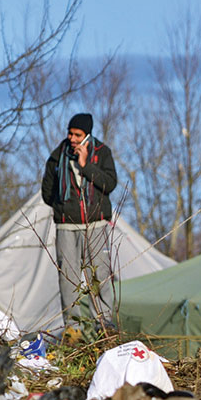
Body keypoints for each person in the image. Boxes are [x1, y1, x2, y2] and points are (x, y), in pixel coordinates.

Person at [40, 112, 119, 335]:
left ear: (87, 135)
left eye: (78, 134)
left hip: (96, 224)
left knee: (100, 274)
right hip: (66, 225)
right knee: (69, 279)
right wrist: (61, 207)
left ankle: (104, 325)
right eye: (70, 133)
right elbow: (47, 192)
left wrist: (85, 166)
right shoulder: (57, 156)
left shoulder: (102, 153)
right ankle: (73, 329)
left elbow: (110, 184)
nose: (72, 138)